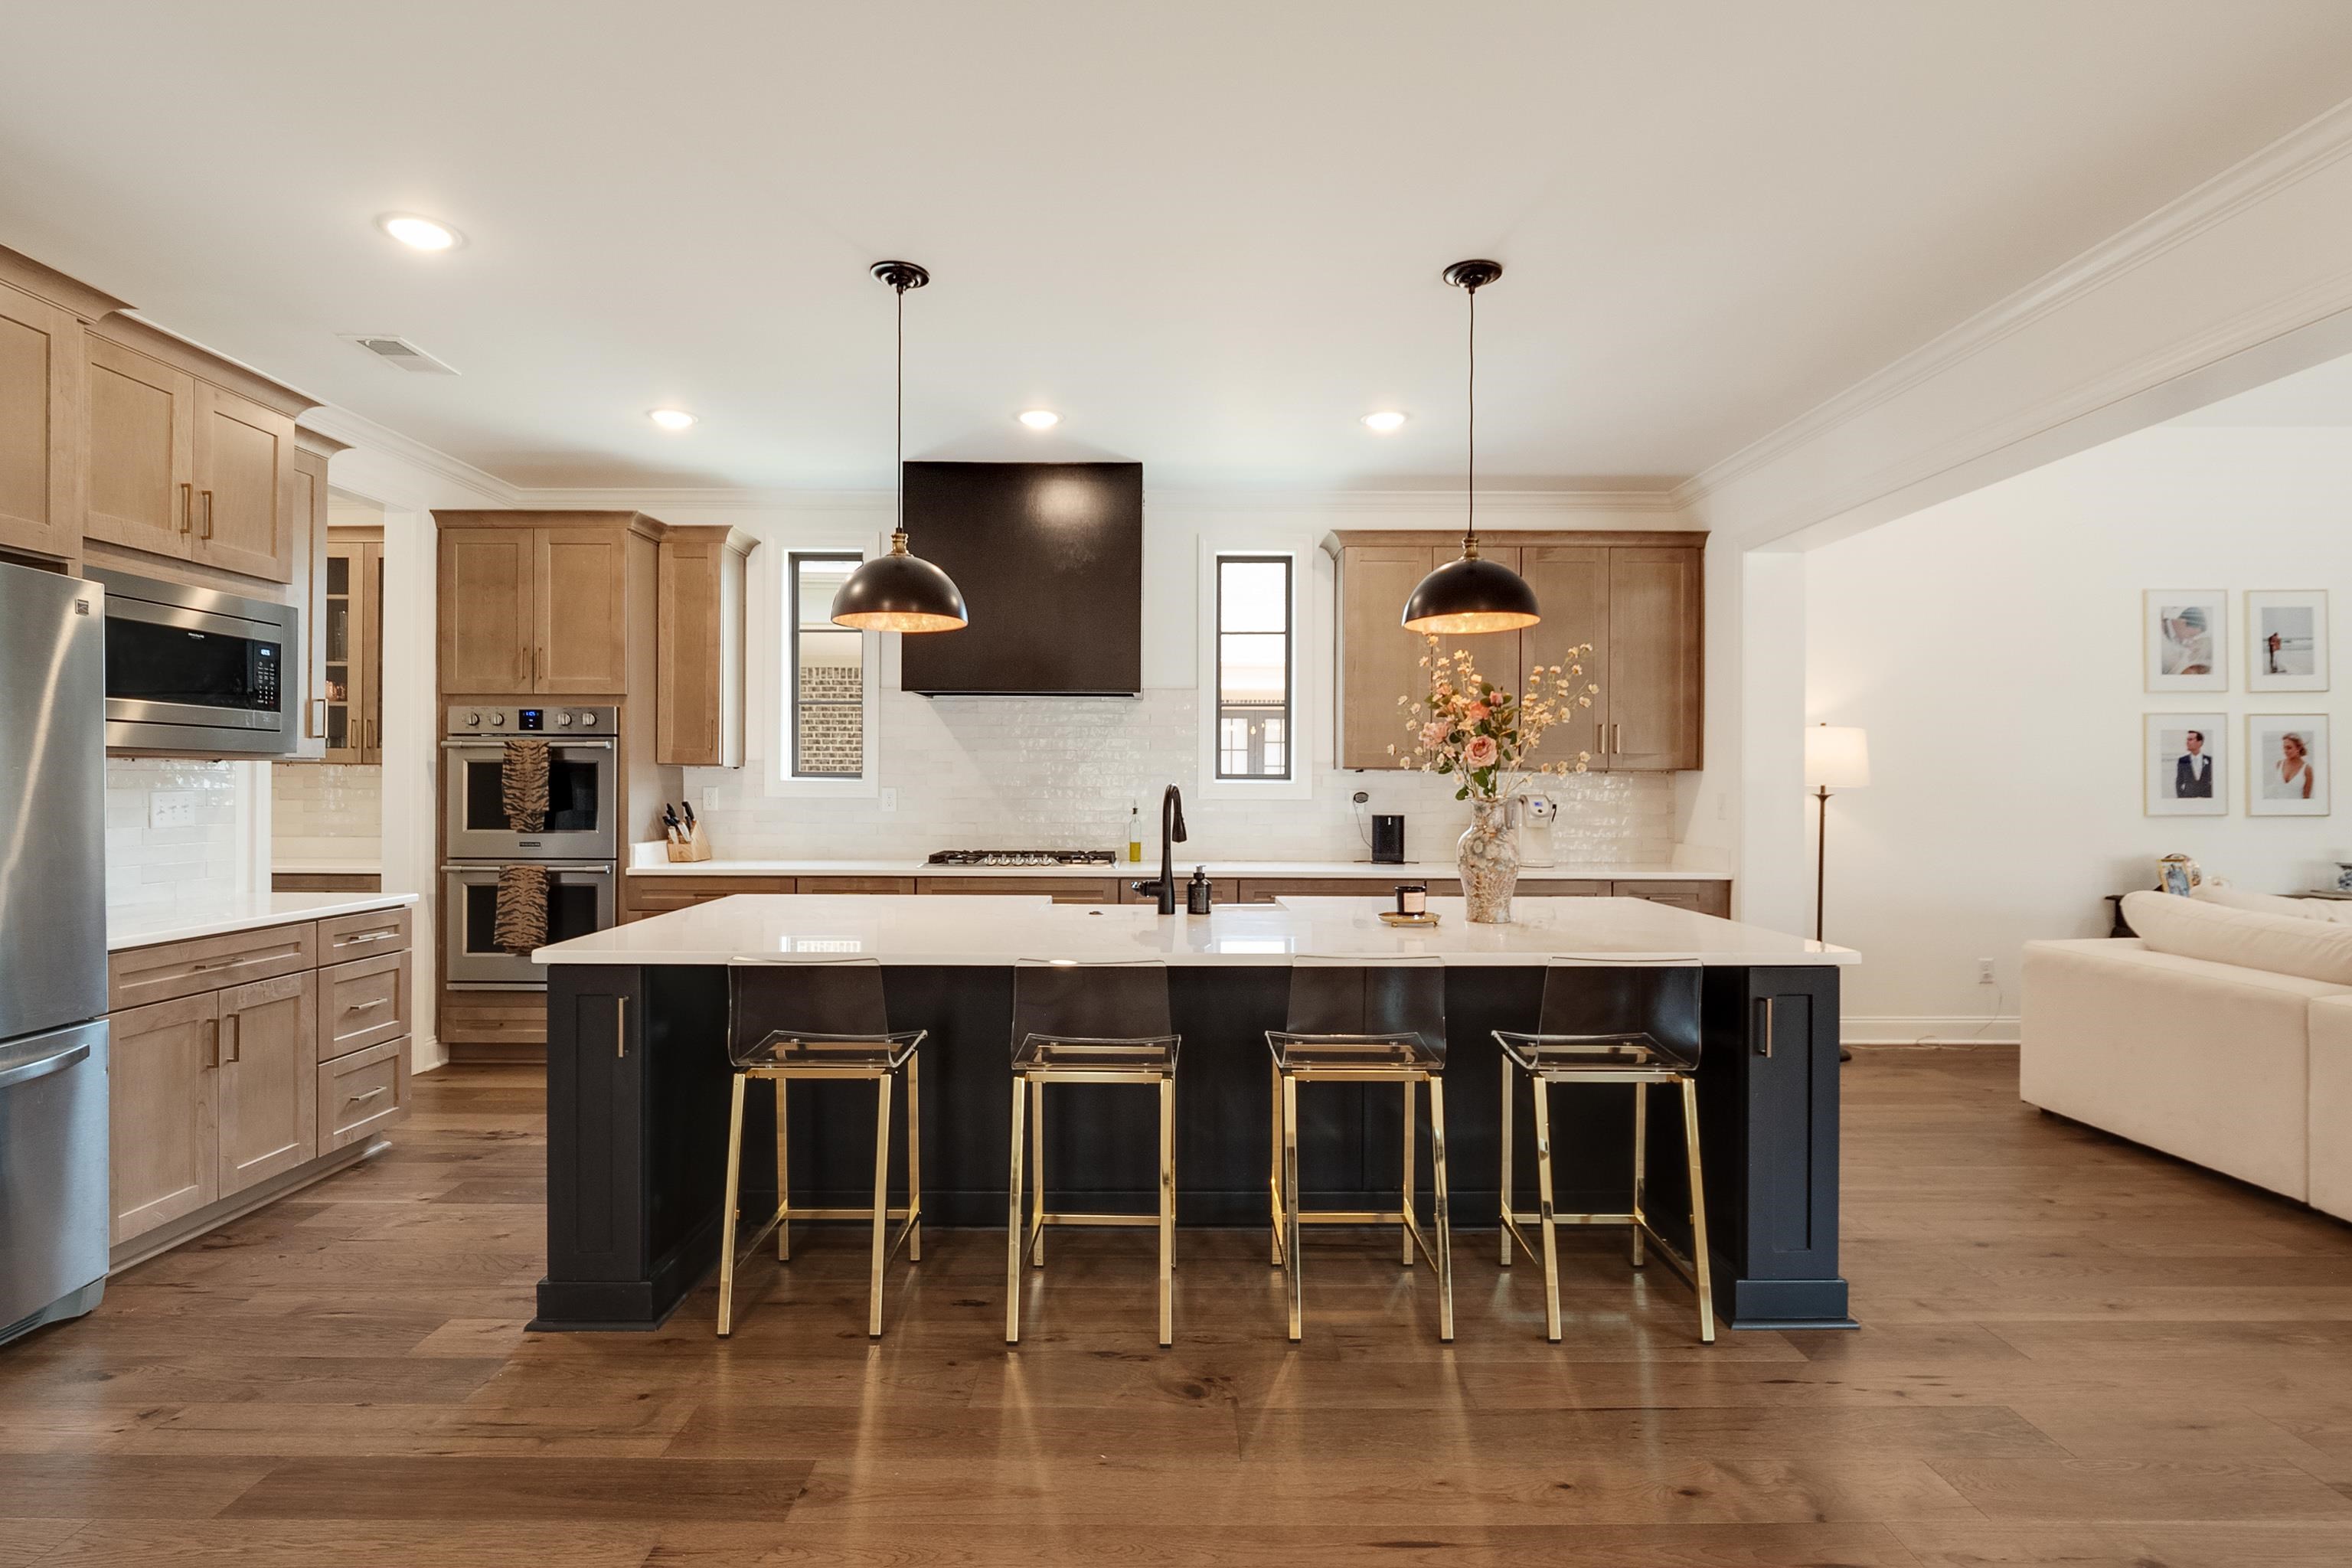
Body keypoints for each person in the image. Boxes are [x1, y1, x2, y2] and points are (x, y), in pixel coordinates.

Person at [2161, 606, 2214, 676]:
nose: (2190, 640)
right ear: (2183, 622)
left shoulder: (2177, 640)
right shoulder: (2160, 631)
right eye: (2191, 635)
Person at [2265, 731, 2318, 801]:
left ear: (2298, 748)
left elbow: (2306, 798)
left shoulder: (2307, 769)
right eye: (2284, 748)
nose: (2285, 751)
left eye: (2289, 748)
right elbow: (2277, 790)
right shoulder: (2279, 764)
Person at [2174, 730, 2213, 798]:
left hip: (2207, 800)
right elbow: (2179, 782)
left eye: (2190, 740)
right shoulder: (2182, 760)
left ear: (2200, 743)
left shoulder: (2210, 760)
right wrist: (2181, 798)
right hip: (2188, 800)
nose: (2187, 742)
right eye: (2187, 740)